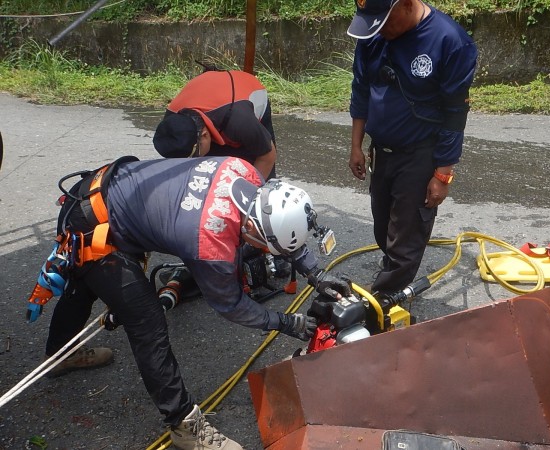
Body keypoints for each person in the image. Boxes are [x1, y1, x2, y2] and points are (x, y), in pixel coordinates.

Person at [39, 142, 350, 448]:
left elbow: (276, 231)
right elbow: (231, 305)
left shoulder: (246, 173)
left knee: (84, 283)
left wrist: (316, 273)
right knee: (147, 321)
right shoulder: (210, 244)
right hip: (94, 223)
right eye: (264, 245)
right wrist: (284, 322)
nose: (262, 251)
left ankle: (60, 356)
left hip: (100, 188)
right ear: (254, 229)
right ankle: (184, 426)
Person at [346, 0, 478, 295]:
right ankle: (389, 284)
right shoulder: (374, 33)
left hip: (419, 154)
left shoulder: (450, 41)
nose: (380, 30)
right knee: (384, 227)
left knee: (406, 237)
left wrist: (443, 174)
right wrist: (357, 144)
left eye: (385, 21)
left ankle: (382, 298)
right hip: (382, 151)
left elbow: (455, 113)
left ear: (406, 4)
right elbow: (361, 89)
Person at [153, 68, 291, 279]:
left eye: (194, 156)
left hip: (243, 99)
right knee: (210, 181)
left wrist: (247, 205)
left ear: (206, 135)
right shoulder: (172, 126)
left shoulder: (241, 122)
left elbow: (267, 156)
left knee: (256, 187)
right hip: (215, 106)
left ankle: (275, 247)